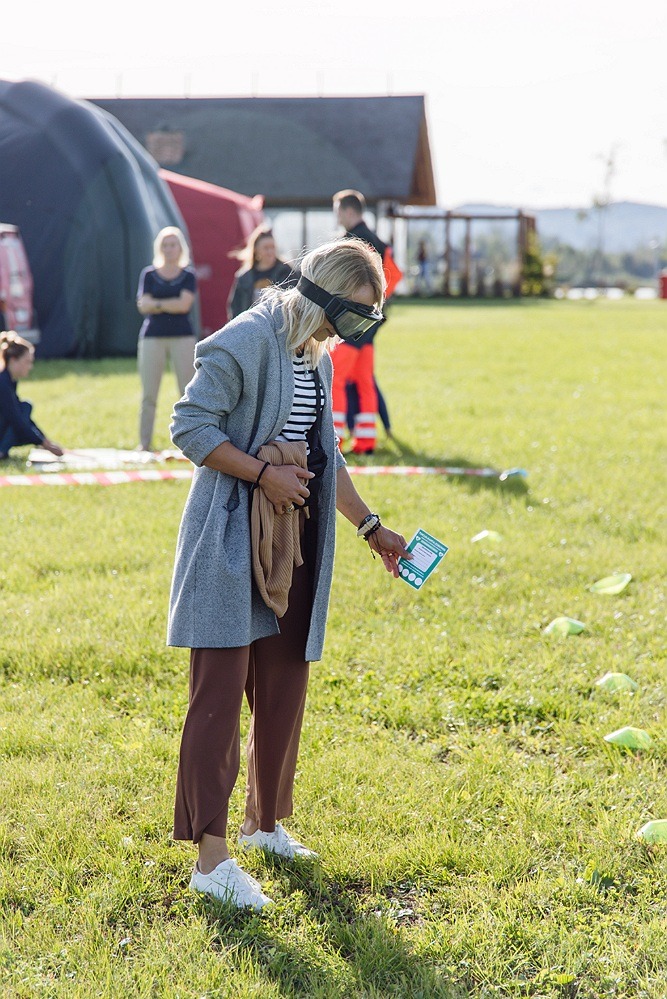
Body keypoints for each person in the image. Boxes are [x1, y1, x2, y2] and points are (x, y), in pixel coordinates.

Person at [168, 237, 411, 910]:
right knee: (217, 691)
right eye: (356, 311)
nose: (358, 327)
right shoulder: (246, 338)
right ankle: (210, 859)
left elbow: (325, 454)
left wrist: (370, 528)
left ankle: (263, 822)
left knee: (283, 682)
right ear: (326, 295)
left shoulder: (316, 354)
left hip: (293, 539)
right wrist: (262, 473)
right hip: (229, 537)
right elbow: (188, 427)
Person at [332, 189, 394, 454]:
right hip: (372, 323)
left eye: (337, 212)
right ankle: (366, 441)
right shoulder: (379, 242)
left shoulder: (349, 242)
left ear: (347, 211)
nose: (337, 218)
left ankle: (334, 440)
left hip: (351, 324)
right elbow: (396, 277)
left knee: (335, 380)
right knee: (364, 381)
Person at [136, 226, 197, 451]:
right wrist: (169, 304)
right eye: (165, 245)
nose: (169, 249)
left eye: (173, 244)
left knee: (188, 392)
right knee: (149, 394)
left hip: (183, 337)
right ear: (159, 248)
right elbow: (143, 305)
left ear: (180, 247)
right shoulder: (149, 274)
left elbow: (184, 305)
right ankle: (144, 444)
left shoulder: (188, 275)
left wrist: (158, 304)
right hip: (152, 338)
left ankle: (191, 443)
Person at [0, 331, 63, 460]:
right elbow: (16, 419)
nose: (30, 367)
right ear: (13, 360)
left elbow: (21, 417)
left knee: (24, 408)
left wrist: (44, 440)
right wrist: (44, 444)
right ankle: (1, 451)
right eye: (27, 362)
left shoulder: (9, 380)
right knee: (25, 407)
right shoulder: (3, 382)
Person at [228, 227, 295, 320]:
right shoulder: (244, 277)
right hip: (250, 325)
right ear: (256, 250)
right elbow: (235, 308)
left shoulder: (287, 272)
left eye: (272, 247)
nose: (270, 252)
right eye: (266, 248)